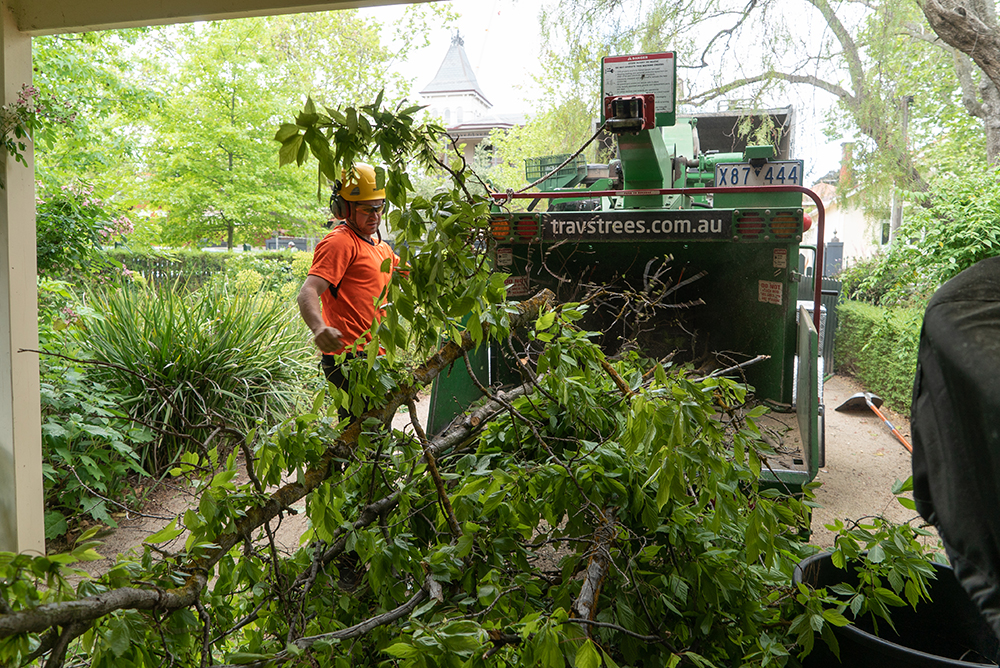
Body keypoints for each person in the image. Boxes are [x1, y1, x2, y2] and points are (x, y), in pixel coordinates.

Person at [297, 163, 400, 394]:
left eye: (379, 207)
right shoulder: (340, 242)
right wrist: (318, 328)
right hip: (349, 358)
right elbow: (308, 291)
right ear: (344, 208)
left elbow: (409, 272)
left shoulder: (380, 247)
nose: (375, 216)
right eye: (367, 209)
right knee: (360, 427)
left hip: (376, 353)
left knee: (379, 428)